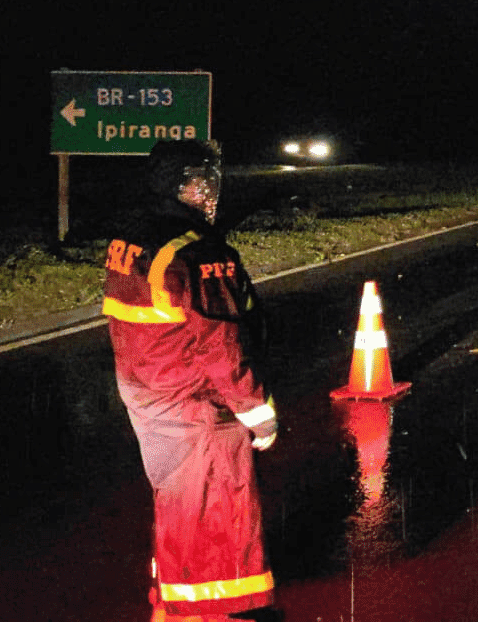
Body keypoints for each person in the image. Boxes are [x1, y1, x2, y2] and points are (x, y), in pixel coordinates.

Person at [102, 139, 278, 622]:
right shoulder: (199, 253)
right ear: (185, 185)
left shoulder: (132, 237)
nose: (212, 192)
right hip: (193, 398)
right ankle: (214, 607)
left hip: (145, 391)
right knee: (215, 505)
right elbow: (219, 348)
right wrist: (259, 415)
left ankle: (173, 590)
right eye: (205, 182)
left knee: (175, 496)